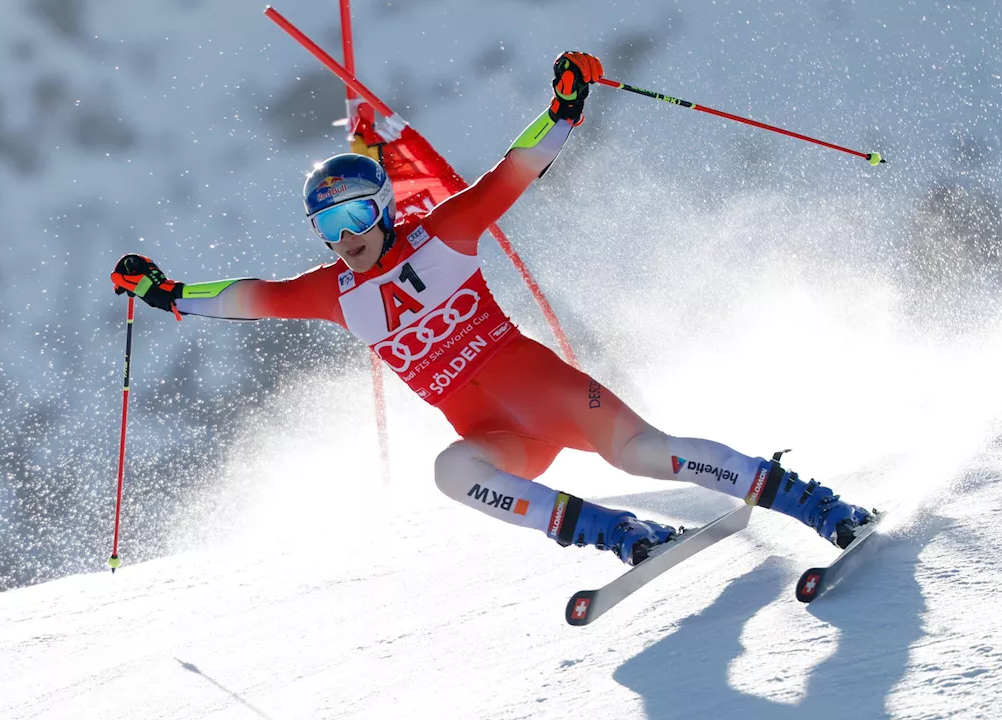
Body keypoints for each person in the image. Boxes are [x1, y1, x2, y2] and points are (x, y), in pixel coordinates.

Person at [111, 52, 872, 565]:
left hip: (555, 395)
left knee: (646, 453)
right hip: (499, 437)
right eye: (326, 228)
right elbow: (249, 298)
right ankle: (617, 532)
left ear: (381, 210)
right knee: (450, 471)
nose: (343, 241)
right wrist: (169, 294)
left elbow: (515, 168)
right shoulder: (332, 294)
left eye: (352, 220)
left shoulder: (443, 232)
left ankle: (813, 503)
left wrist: (565, 106)